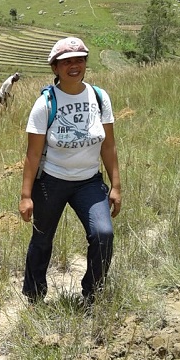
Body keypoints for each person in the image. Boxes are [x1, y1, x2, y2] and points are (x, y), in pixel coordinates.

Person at [18, 37, 121, 307]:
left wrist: (116, 186)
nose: (73, 66)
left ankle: (92, 294)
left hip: (89, 182)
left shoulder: (100, 97)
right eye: (66, 62)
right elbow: (32, 154)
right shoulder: (45, 104)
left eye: (79, 59)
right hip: (50, 182)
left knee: (103, 234)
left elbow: (108, 145)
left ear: (86, 63)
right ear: (55, 68)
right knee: (42, 239)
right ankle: (34, 295)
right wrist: (26, 195)